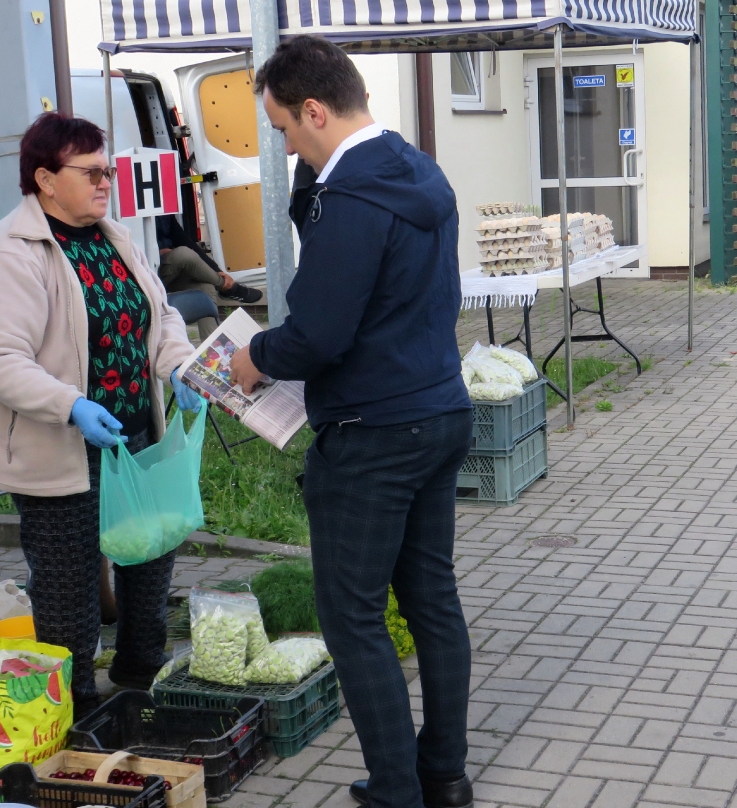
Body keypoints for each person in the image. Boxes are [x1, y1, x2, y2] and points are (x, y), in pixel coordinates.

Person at [230, 36, 474, 808]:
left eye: (283, 130)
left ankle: (397, 790)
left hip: (373, 435)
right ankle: (445, 775)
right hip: (439, 408)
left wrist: (254, 356)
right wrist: (314, 181)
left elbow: (317, 336)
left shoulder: (351, 202)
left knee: (353, 617)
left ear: (314, 111)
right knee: (432, 599)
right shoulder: (418, 171)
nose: (284, 148)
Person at [0, 112, 202, 719]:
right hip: (58, 448)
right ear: (44, 179)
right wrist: (70, 404)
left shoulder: (114, 237)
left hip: (135, 435)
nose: (105, 182)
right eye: (90, 172)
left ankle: (141, 672)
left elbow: (162, 315)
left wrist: (177, 365)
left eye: (107, 171)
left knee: (150, 556)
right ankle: (74, 706)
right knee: (68, 585)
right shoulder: (6, 256)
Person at [156, 214, 262, 340]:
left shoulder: (165, 212)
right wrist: (156, 250)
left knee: (205, 288)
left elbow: (184, 240)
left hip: (164, 270)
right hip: (144, 274)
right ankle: (228, 288)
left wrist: (217, 270)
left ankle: (214, 347)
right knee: (183, 253)